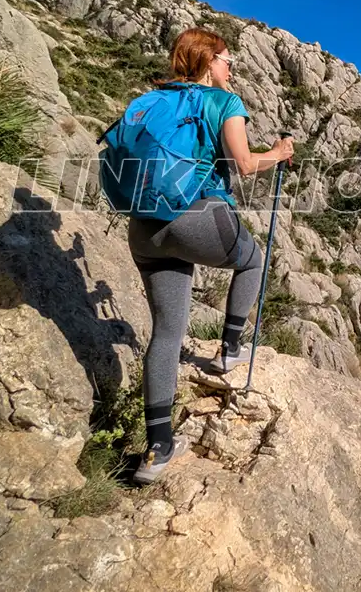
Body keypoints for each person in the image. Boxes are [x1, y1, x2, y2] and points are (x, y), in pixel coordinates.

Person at [125, 27, 293, 485]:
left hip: (144, 227)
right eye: (225, 58)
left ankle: (157, 448)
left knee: (167, 332)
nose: (231, 65)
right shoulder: (225, 103)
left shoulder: (152, 101)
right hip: (195, 216)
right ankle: (230, 351)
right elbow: (243, 164)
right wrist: (277, 154)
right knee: (253, 259)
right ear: (207, 61)